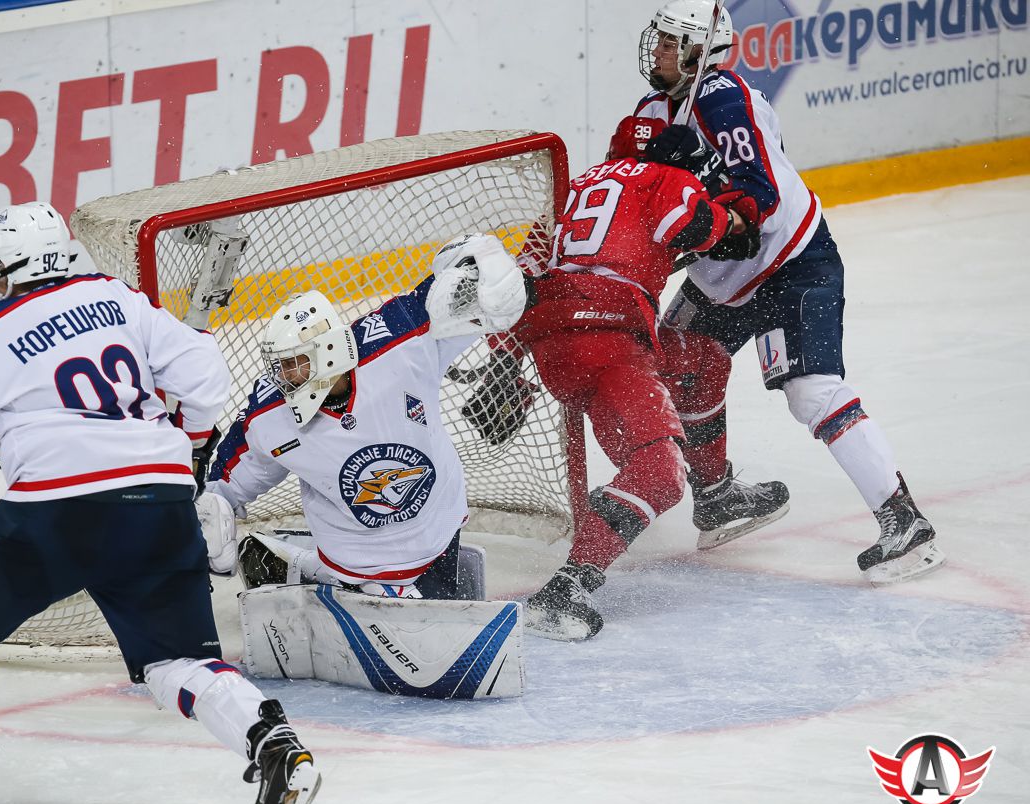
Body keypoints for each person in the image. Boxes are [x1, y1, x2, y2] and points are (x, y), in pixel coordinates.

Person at [0, 201, 319, 804]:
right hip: (161, 501)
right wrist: (188, 443)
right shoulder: (115, 297)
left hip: (59, 512)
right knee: (175, 662)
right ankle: (275, 748)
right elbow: (204, 371)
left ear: (6, 267)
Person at [634, 0, 943, 582]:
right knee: (676, 361)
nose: (659, 51)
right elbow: (625, 189)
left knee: (811, 392)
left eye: (672, 43)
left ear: (701, 54)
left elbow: (762, 199)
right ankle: (718, 497)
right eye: (660, 39)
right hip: (723, 279)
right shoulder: (653, 111)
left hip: (790, 264)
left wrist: (696, 182)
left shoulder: (722, 99)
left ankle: (904, 522)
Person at [495, 114, 759, 640]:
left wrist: (504, 365)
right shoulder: (663, 177)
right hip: (609, 340)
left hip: (555, 343)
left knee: (703, 361)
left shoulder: (570, 189)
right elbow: (698, 226)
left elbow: (515, 284)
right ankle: (567, 587)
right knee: (659, 474)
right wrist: (735, 218)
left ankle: (715, 493)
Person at [203, 234, 527, 601]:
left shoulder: (397, 339)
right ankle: (323, 576)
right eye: (281, 367)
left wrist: (485, 259)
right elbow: (223, 487)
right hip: (357, 562)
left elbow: (461, 289)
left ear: (328, 350)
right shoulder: (268, 414)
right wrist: (207, 517)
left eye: (296, 363)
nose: (286, 377)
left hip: (440, 532)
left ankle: (296, 567)